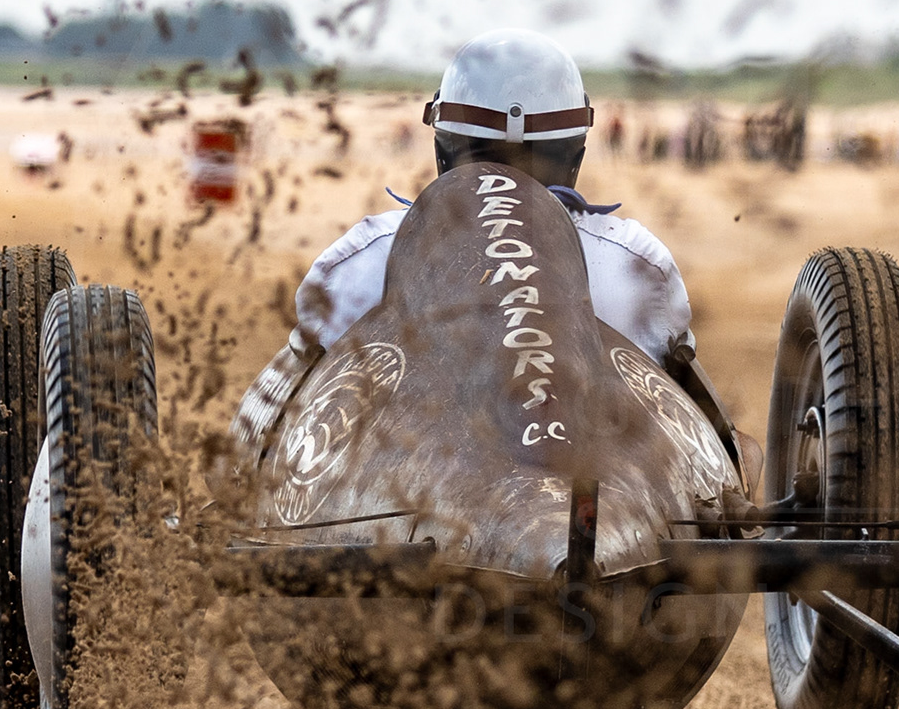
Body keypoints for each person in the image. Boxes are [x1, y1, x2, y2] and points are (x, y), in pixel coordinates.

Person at [233, 29, 712, 452]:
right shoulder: (640, 266)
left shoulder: (360, 260)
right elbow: (696, 428)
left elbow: (261, 428)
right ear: (575, 150)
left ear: (444, 143)